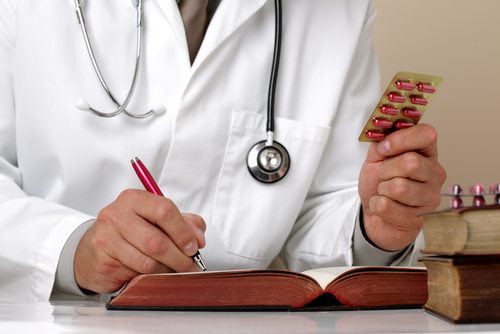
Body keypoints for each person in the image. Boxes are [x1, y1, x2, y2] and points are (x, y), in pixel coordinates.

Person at [0, 0, 446, 301]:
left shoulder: (338, 9)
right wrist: (70, 248)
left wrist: (373, 228)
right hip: (57, 317)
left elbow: (323, 205)